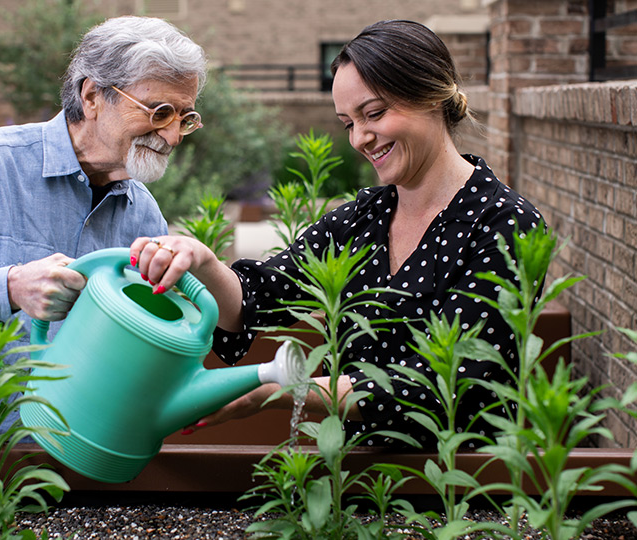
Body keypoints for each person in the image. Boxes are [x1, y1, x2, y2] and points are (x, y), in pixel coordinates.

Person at [130, 19, 544, 447]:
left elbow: (452, 384)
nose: (361, 138)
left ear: (432, 96)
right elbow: (258, 300)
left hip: (463, 489)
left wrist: (275, 389)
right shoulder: (362, 221)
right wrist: (203, 260)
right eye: (348, 123)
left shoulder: (503, 222)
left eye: (375, 113)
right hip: (359, 482)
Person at [0, 15, 207, 466]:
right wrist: (10, 287)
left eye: (184, 118)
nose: (171, 135)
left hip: (61, 448)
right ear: (92, 96)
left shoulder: (143, 211)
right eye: (158, 111)